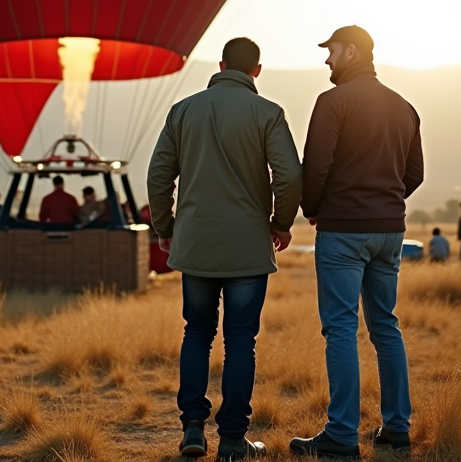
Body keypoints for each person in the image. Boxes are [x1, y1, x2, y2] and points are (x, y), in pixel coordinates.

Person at [148, 37, 302, 461]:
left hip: (196, 243)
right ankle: (233, 440)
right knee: (240, 342)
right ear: (256, 70)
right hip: (248, 247)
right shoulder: (268, 113)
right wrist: (280, 224)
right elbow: (289, 175)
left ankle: (192, 429)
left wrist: (166, 227)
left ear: (220, 65)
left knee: (196, 333)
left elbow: (159, 176)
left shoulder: (183, 111)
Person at [291, 26, 423, 459]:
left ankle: (343, 435)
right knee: (386, 326)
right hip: (391, 230)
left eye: (330, 52)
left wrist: (312, 208)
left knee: (342, 329)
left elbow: (317, 165)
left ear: (351, 51)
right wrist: (384, 201)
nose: (327, 60)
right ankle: (397, 428)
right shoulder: (405, 107)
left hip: (343, 229)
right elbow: (414, 174)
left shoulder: (332, 103)